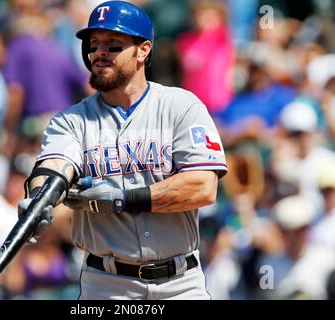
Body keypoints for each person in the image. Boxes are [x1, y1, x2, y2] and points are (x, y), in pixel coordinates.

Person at [19, 0, 227, 300]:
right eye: (93, 46)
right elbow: (54, 167)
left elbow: (202, 187)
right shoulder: (71, 121)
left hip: (180, 284)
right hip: (106, 285)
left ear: (143, 50)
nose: (99, 53)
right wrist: (41, 196)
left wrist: (122, 199)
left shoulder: (181, 106)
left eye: (113, 45)